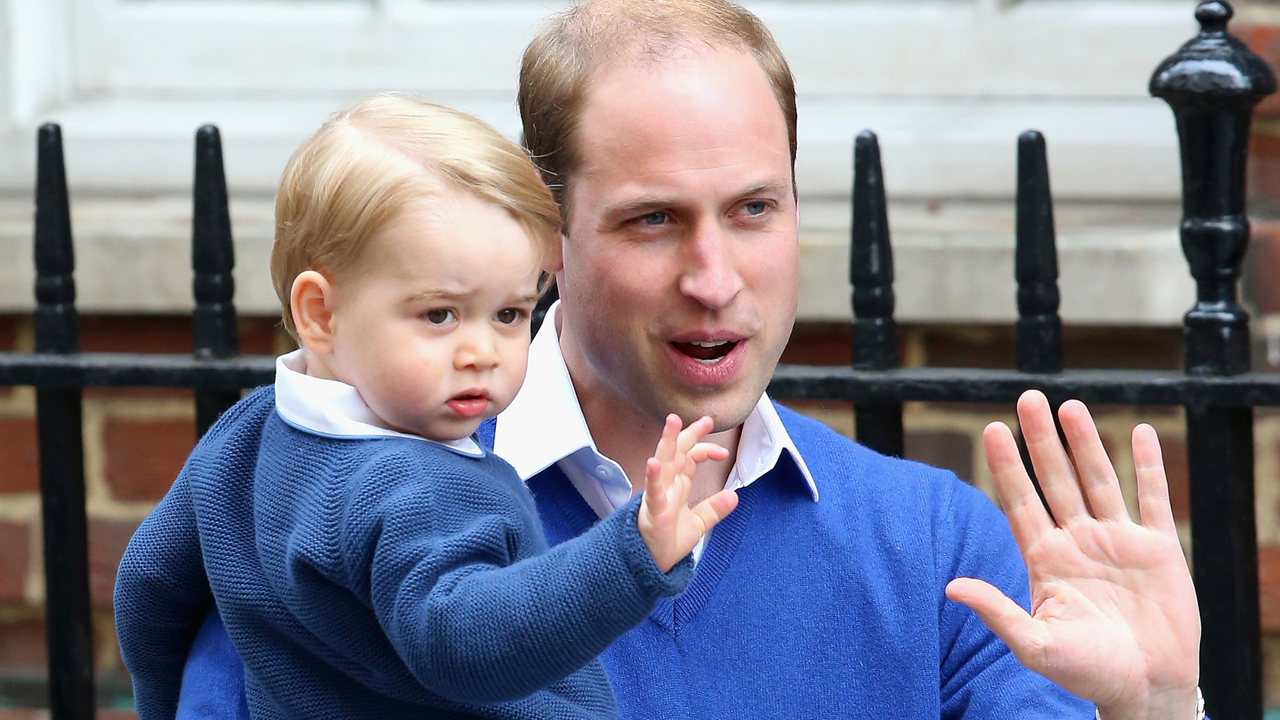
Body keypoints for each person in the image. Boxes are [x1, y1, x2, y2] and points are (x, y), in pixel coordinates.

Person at [174, 1, 1203, 718]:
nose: (713, 277)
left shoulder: (932, 547)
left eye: (753, 209)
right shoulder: (322, 514)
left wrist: (1154, 709)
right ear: (551, 242)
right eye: (654, 219)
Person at [113, 95, 742, 720]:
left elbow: (148, 589)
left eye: (509, 314)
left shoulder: (245, 438)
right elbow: (465, 644)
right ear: (320, 313)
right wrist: (631, 554)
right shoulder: (414, 488)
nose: (481, 352)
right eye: (439, 314)